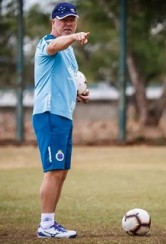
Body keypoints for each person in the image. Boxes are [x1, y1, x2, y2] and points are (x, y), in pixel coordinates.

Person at [32, 2, 90, 238]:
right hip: (49, 114)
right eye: (63, 20)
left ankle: (50, 223)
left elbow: (70, 79)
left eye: (72, 20)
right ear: (53, 22)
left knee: (62, 171)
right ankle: (45, 225)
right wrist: (74, 37)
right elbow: (55, 45)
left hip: (64, 115)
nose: (68, 23)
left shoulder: (70, 53)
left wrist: (78, 92)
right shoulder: (47, 43)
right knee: (53, 171)